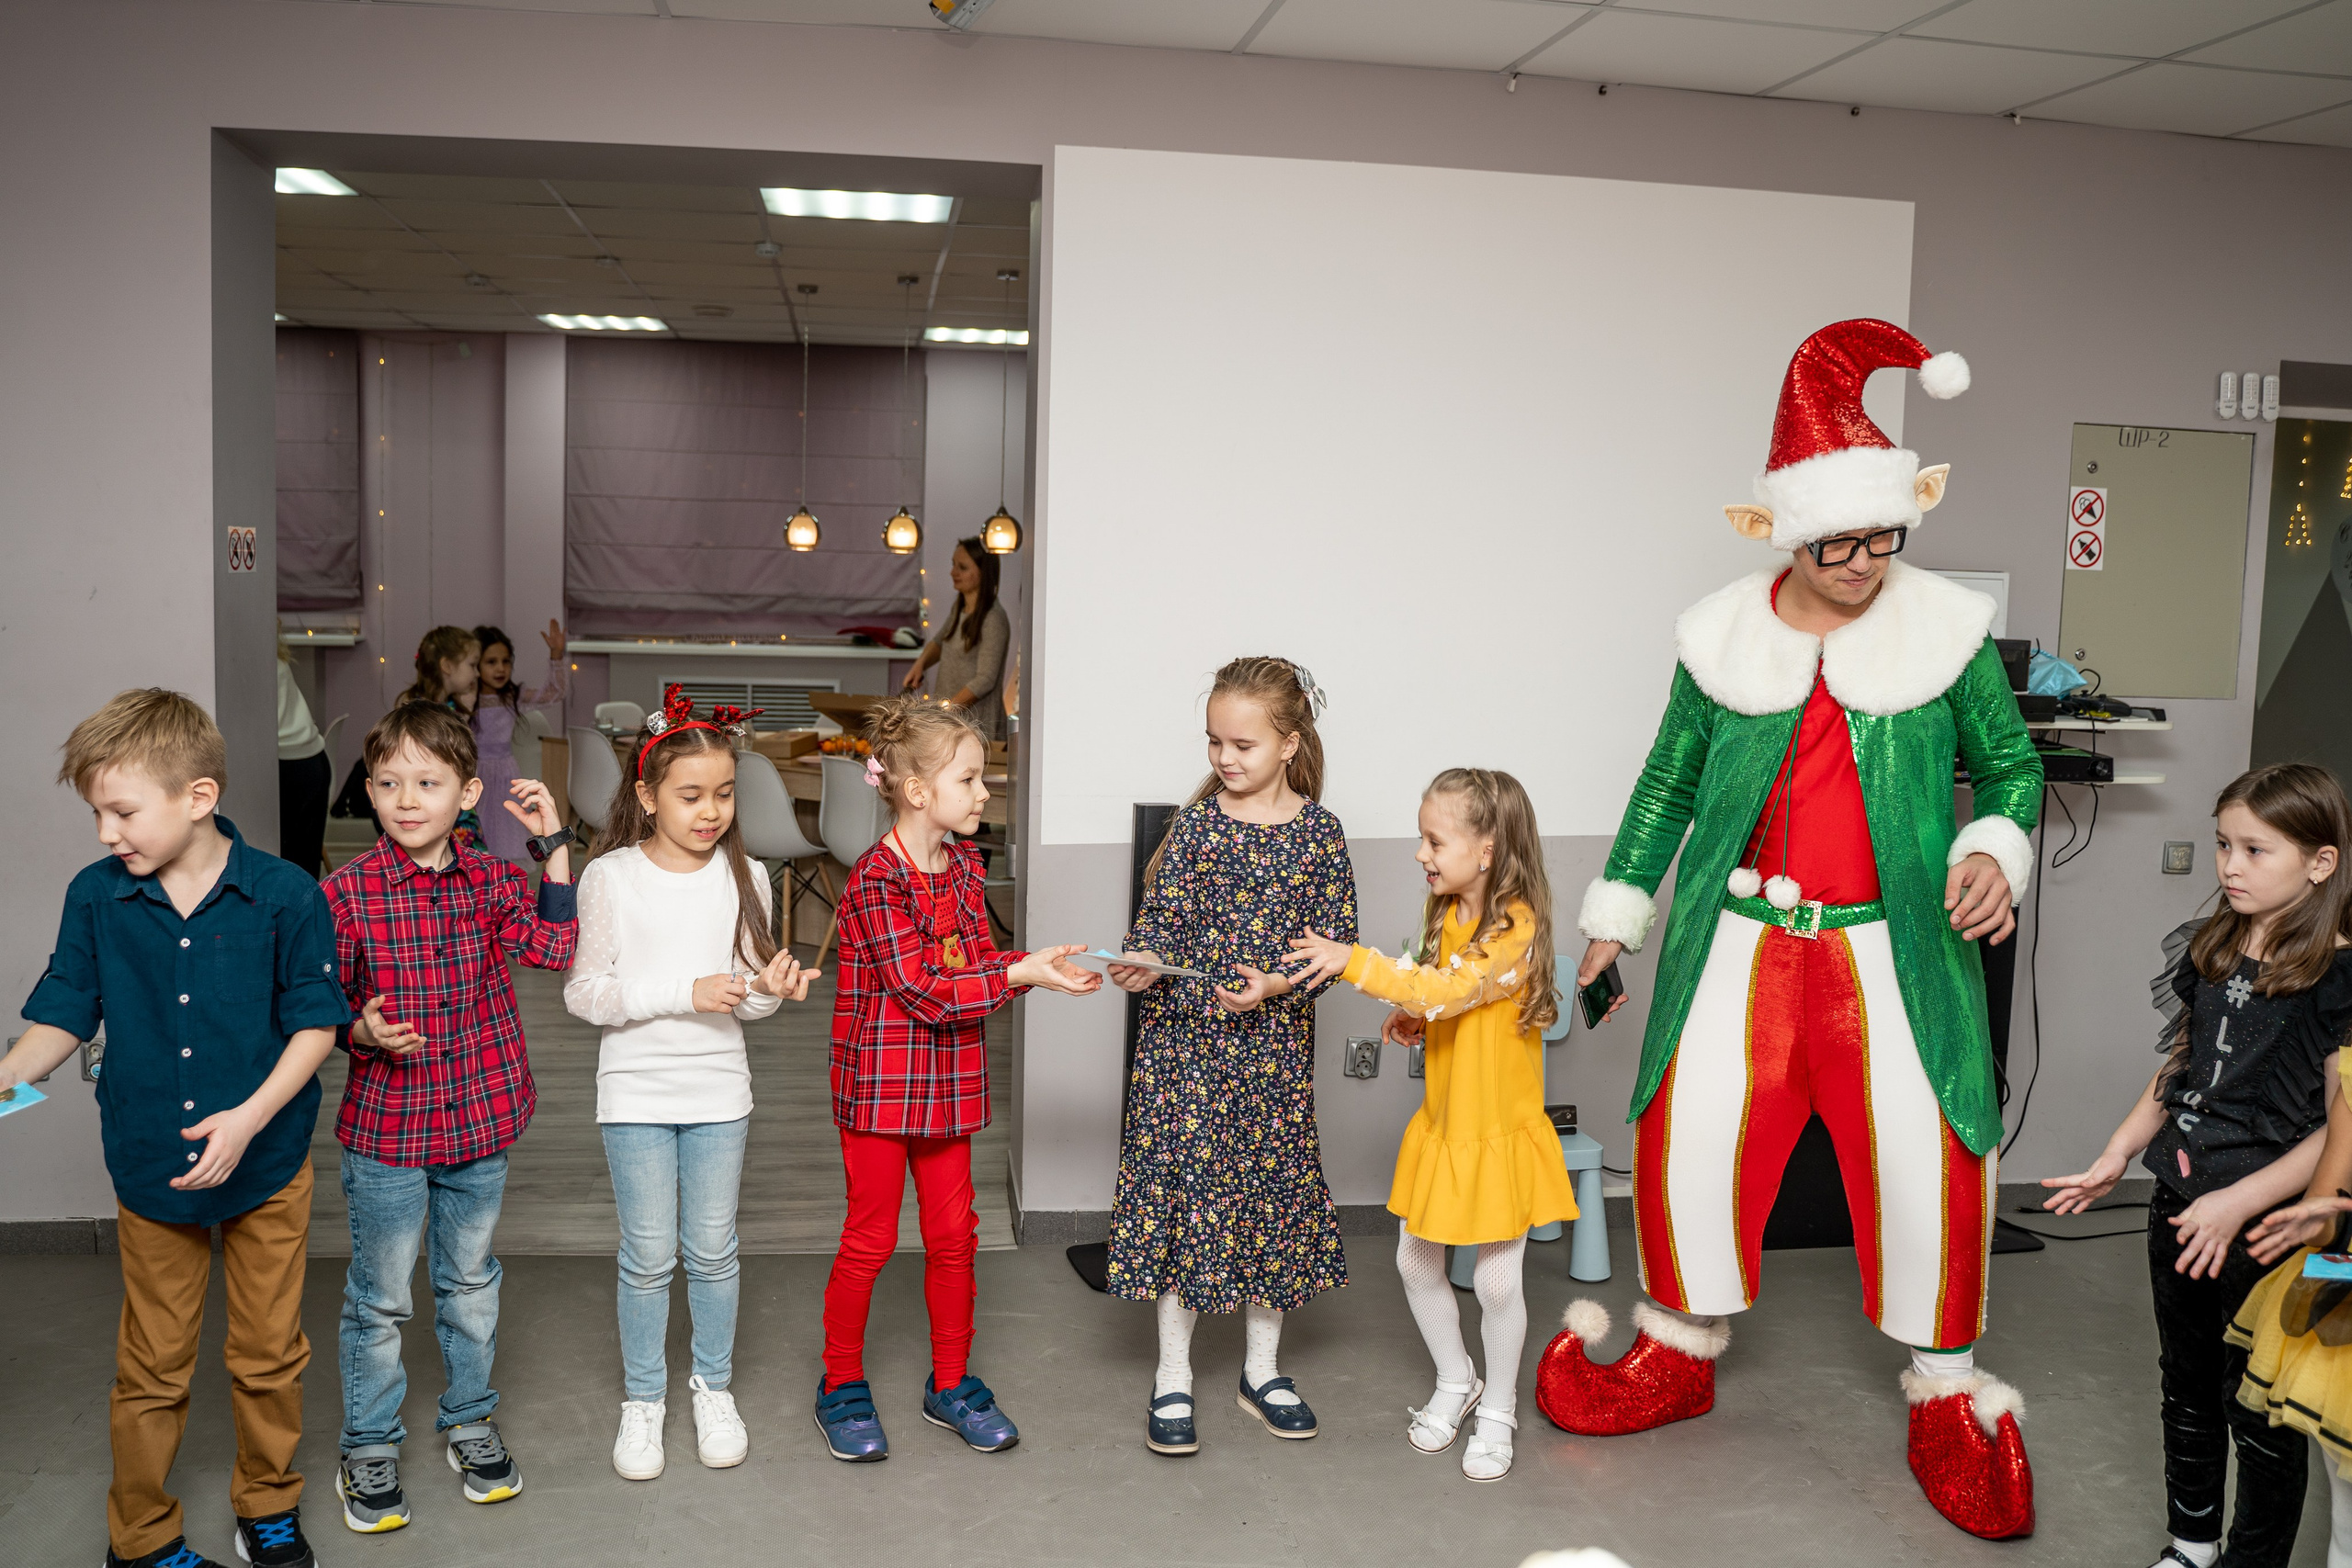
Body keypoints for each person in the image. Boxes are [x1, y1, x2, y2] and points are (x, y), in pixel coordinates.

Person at [1535, 320, 2045, 1540]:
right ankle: (1674, 1347)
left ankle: (1945, 1392)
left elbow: (2014, 770)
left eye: (1883, 536)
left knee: (1929, 1158)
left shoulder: (1948, 632)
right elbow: (1665, 787)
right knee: (1690, 1137)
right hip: (1740, 940)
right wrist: (1619, 912)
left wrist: (1992, 850)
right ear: (1779, 529)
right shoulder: (1720, 634)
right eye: (1839, 540)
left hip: (1893, 949)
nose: (1865, 561)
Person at [0, 689, 350, 1568]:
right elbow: (65, 1012)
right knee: (153, 1364)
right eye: (95, 812)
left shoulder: (286, 894)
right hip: (153, 1169)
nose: (105, 833)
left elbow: (315, 1023)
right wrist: (5, 1078)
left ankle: (268, 1504)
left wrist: (249, 1117)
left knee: (269, 1352)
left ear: (198, 796)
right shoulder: (96, 896)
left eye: (121, 811)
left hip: (267, 1163)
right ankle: (141, 1536)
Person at [2046, 762, 2352, 1568]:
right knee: (2185, 1379)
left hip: (2268, 1223)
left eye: (2256, 849)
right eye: (2223, 844)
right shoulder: (2216, 942)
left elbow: (2338, 1132)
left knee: (2259, 1408)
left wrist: (2237, 1203)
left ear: (2320, 862)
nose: (2230, 866)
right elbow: (2181, 1068)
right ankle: (2191, 1546)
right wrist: (2118, 1151)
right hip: (2181, 1198)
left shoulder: (2340, 975)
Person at [815, 695, 1101, 1461]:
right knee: (871, 1240)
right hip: (879, 1091)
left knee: (954, 1237)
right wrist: (1021, 972)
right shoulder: (875, 882)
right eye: (971, 779)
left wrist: (1034, 971)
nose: (984, 793)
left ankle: (950, 1381)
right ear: (916, 791)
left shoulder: (967, 868)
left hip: (946, 1087)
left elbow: (978, 964)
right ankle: (839, 1382)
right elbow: (924, 990)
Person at [322, 701, 580, 1535]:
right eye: (389, 781)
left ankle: (470, 1417)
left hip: (478, 1122)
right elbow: (314, 1004)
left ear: (467, 792)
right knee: (381, 1298)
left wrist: (553, 843)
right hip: (388, 1132)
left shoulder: (498, 881)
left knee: (468, 1284)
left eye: (428, 782)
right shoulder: (347, 895)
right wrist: (355, 1028)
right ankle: (367, 1442)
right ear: (369, 788)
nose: (406, 798)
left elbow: (552, 949)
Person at [1102, 656, 1359, 1456]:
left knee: (1267, 1202)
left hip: (1272, 1057)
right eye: (1214, 741)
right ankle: (1172, 1373)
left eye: (1242, 744)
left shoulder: (1320, 832)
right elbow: (1163, 921)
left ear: (1290, 743)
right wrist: (1143, 960)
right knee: (1186, 1201)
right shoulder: (1200, 826)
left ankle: (1262, 1370)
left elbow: (1333, 950)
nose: (1224, 758)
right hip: (1184, 1051)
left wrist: (1276, 984)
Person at [1287, 768, 1574, 1482]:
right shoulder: (1446, 913)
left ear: (1487, 849)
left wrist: (1356, 962)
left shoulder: (1517, 928)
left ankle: (1499, 1407)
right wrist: (1415, 1015)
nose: (1421, 852)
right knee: (1415, 1261)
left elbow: (1456, 986)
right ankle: (1458, 1378)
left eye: (1434, 839)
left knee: (1500, 1281)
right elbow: (1442, 995)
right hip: (1446, 1127)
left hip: (1498, 1133)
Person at [563, 685, 820, 1482]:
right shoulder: (609, 877)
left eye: (724, 793)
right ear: (647, 795)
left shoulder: (746, 873)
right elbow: (586, 993)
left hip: (719, 1093)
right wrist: (688, 990)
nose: (711, 810)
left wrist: (773, 985)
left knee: (712, 1251)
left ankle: (713, 1385)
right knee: (647, 1256)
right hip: (635, 1093)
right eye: (690, 795)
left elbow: (751, 997)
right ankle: (644, 1399)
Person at [471, 620, 567, 871]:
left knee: (505, 832)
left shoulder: (513, 696)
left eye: (506, 661)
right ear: (475, 665)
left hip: (505, 774)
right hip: (473, 773)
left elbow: (555, 693)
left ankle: (503, 889)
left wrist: (556, 656)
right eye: (491, 662)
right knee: (475, 832)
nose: (501, 668)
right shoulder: (466, 698)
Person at [899, 536, 1011, 739]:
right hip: (951, 724)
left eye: (963, 567)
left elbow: (985, 679)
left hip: (976, 729)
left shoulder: (994, 618)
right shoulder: (959, 608)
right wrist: (920, 665)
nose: (953, 572)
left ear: (983, 572)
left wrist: (948, 711)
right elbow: (940, 642)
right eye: (953, 565)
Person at [276, 641, 332, 878]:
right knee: (303, 863)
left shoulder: (265, 666)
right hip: (312, 763)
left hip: (290, 766)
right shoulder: (278, 663)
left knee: (291, 863)